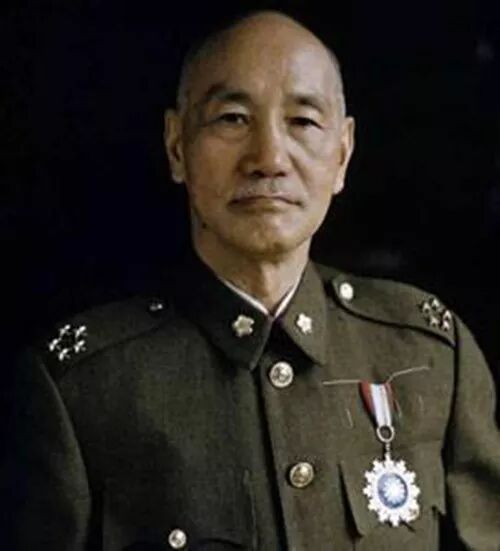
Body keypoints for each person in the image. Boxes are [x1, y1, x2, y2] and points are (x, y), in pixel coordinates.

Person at [6, 10, 500, 550]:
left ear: (343, 152)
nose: (269, 159)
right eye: (233, 118)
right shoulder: (84, 388)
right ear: (177, 146)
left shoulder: (430, 357)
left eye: (303, 122)